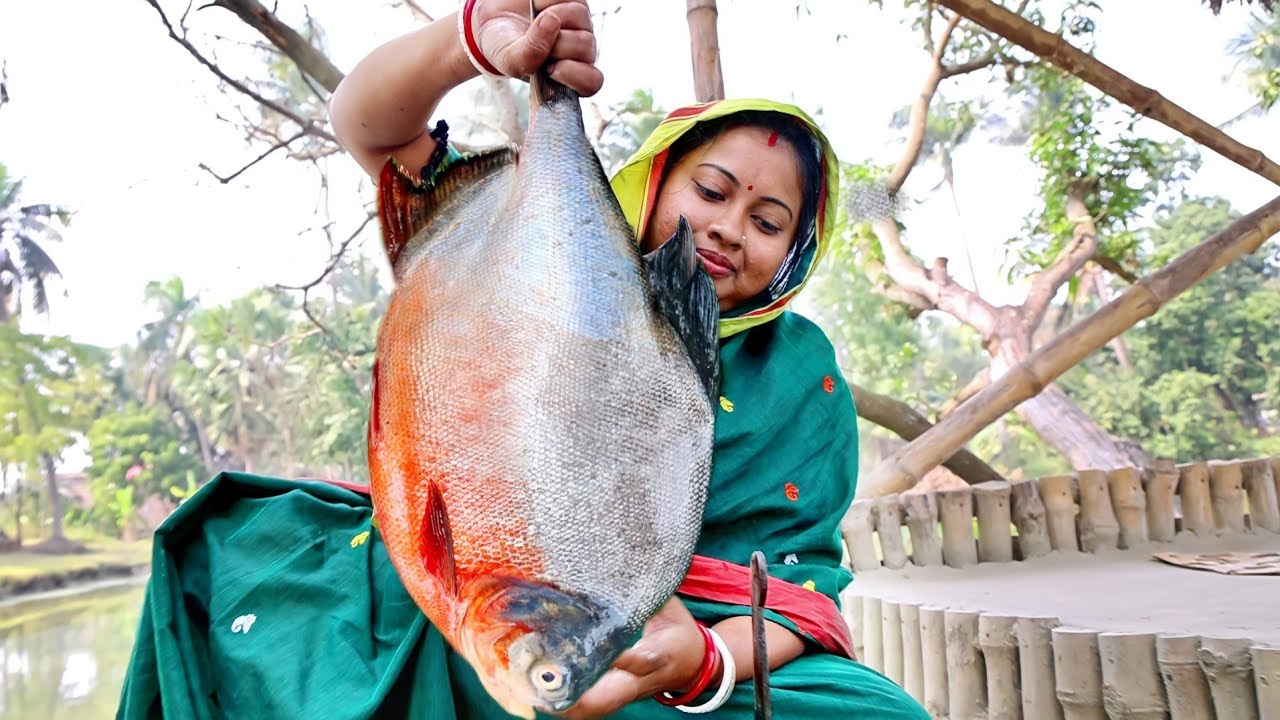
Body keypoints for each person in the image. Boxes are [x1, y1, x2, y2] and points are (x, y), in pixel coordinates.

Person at [116, 2, 928, 719]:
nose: (727, 227)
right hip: (460, 597)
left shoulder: (802, 372)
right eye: (710, 191)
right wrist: (478, 36)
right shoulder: (513, 259)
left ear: (794, 254)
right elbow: (365, 123)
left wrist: (703, 665)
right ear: (653, 180)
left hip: (683, 651)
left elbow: (800, 591)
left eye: (769, 221)